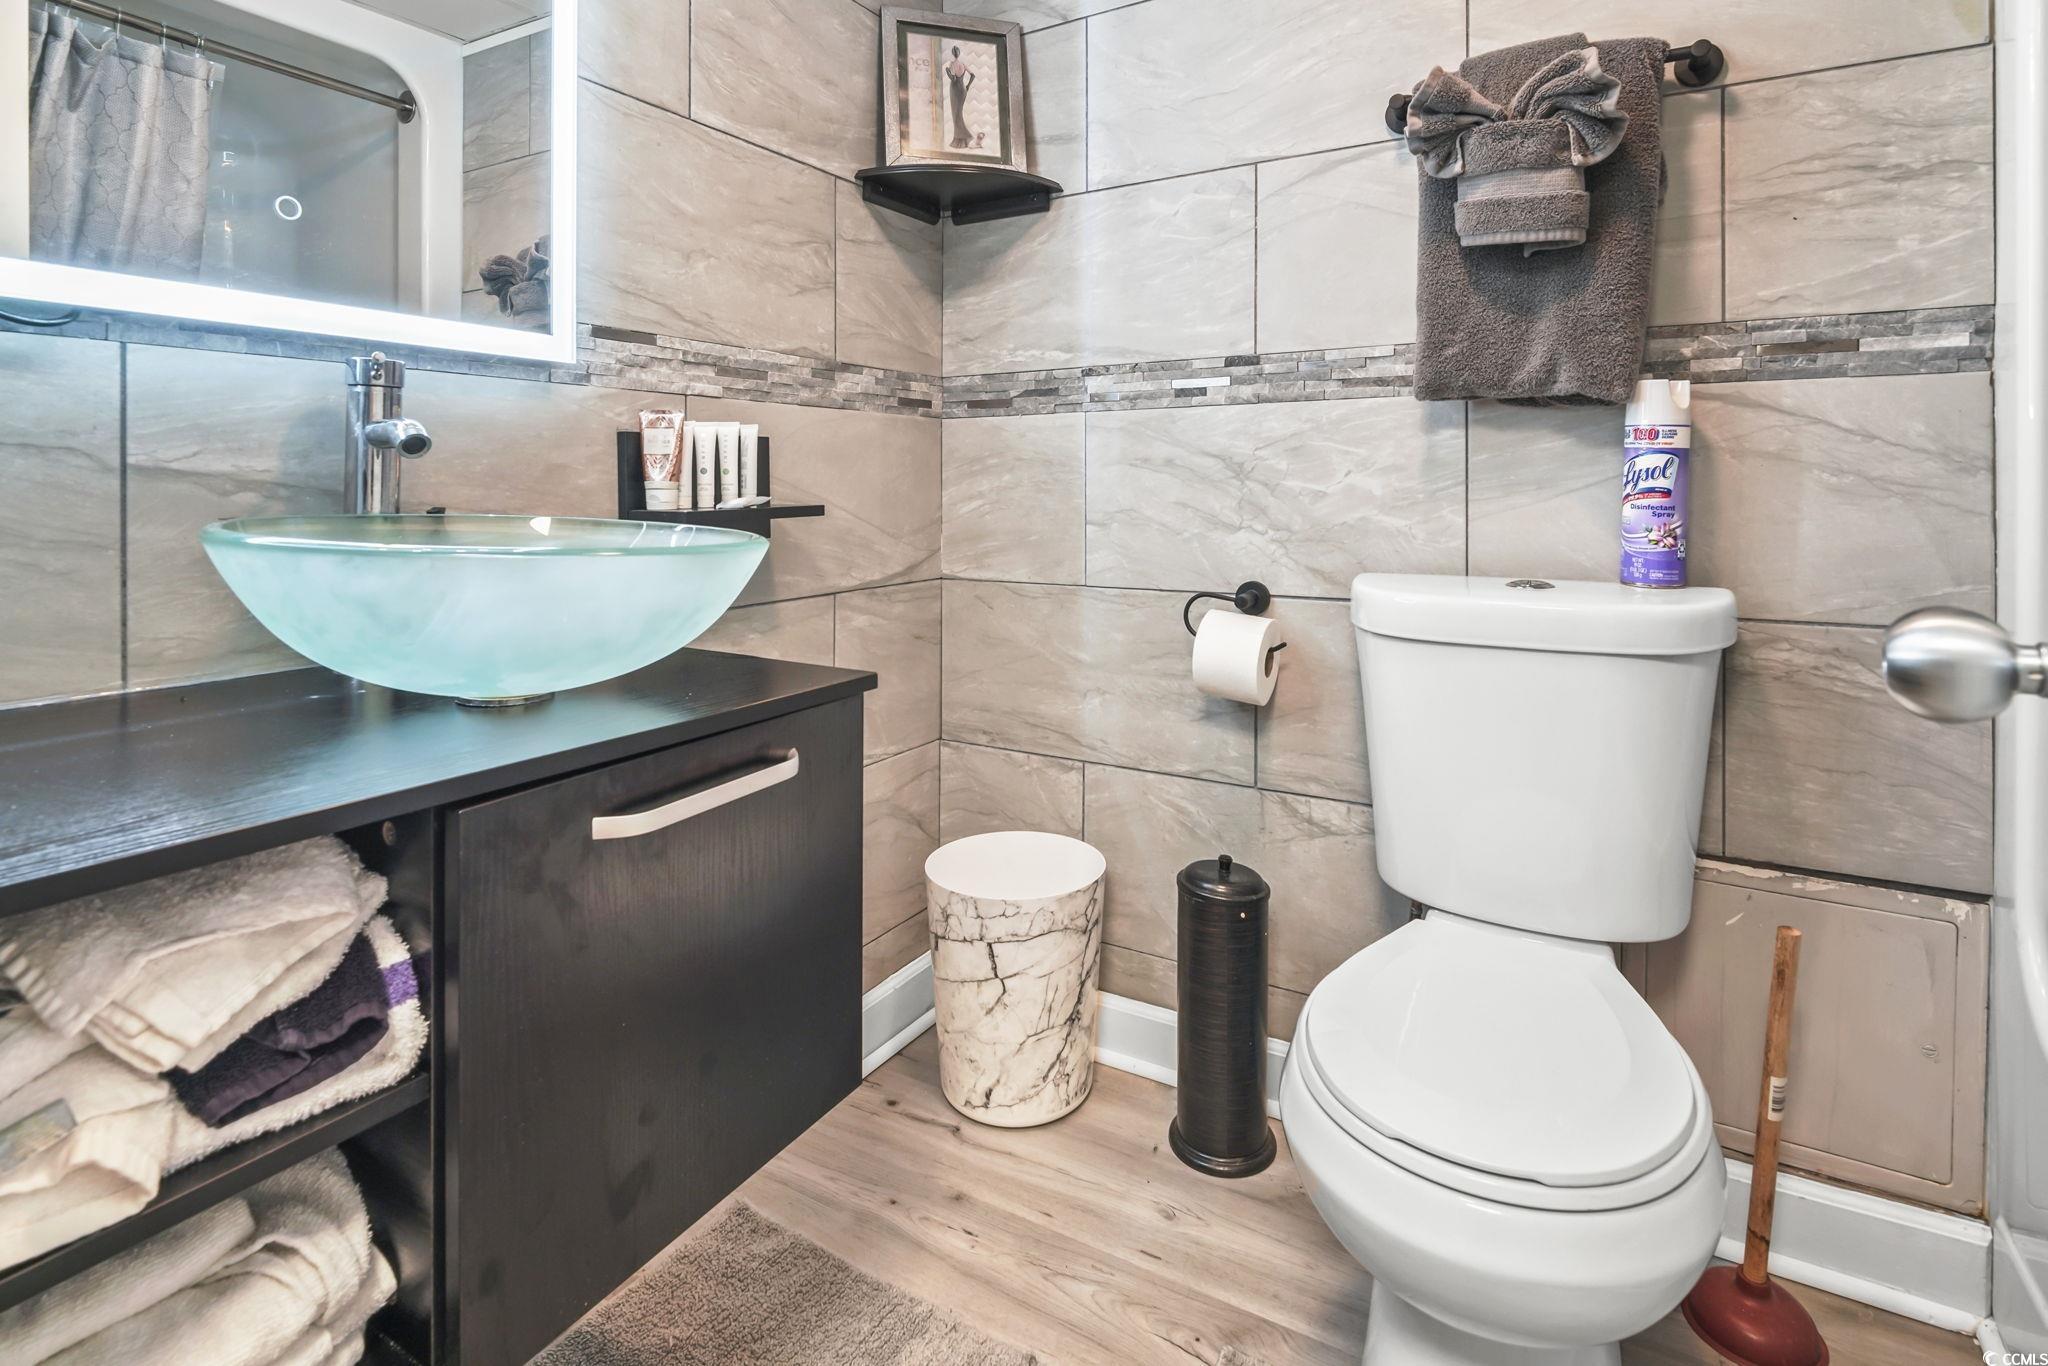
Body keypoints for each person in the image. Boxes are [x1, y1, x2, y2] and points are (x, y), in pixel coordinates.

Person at [946, 45, 975, 149]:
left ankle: (963, 137)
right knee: (958, 114)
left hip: (955, 90)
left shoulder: (952, 64)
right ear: (958, 53)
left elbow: (953, 79)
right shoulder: (962, 64)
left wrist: (947, 71)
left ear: (953, 53)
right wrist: (967, 86)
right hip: (962, 90)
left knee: (956, 115)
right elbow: (973, 75)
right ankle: (960, 141)